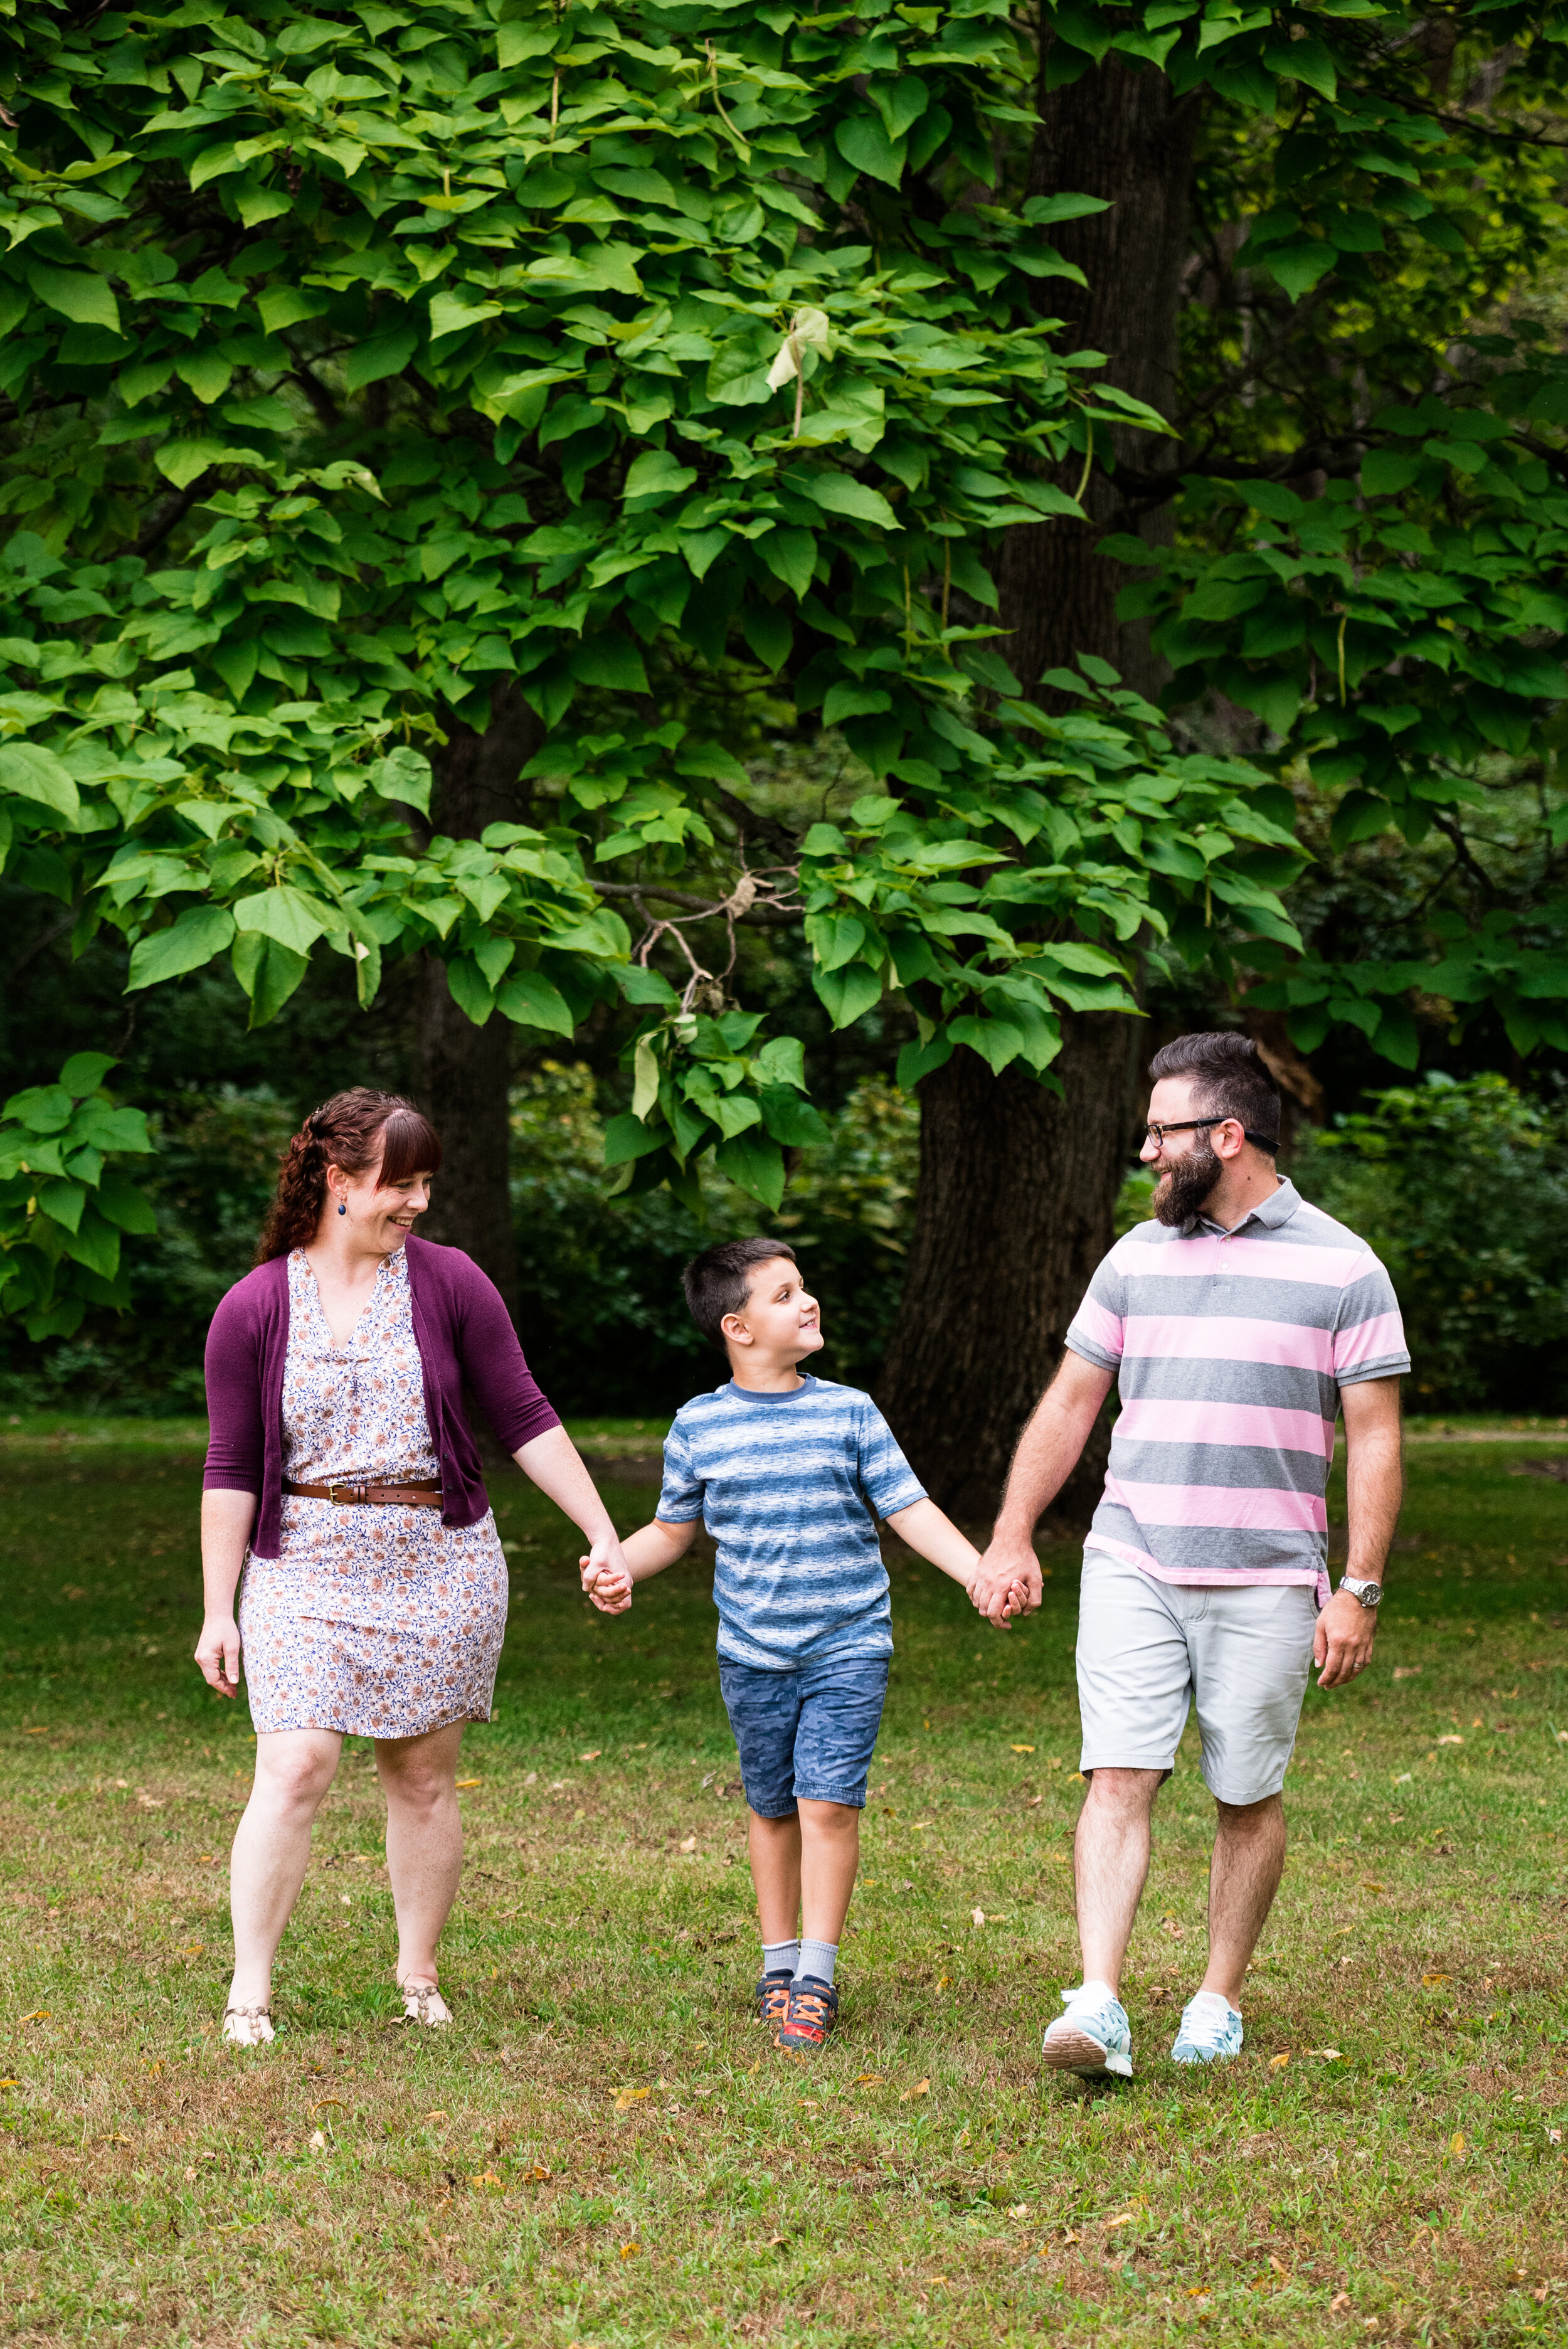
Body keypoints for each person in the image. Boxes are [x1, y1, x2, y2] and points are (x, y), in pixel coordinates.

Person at [971, 1032, 1407, 2077]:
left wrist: (1359, 1587)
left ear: (1227, 1134)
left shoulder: (1345, 1267)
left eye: (1164, 1132)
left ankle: (1216, 1999)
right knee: (1118, 1772)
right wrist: (1013, 1528)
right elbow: (1075, 1398)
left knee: (1246, 1792)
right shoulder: (1135, 1258)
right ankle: (1100, 1998)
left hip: (1267, 1571)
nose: (1147, 1152)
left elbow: (1378, 1435)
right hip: (1135, 1555)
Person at [195, 1088, 628, 2046]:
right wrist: (217, 1609)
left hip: (439, 1562)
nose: (419, 1201)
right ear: (339, 1181)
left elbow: (524, 1415)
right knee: (297, 1762)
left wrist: (603, 1532)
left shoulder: (452, 1282)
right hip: (304, 1562)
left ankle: (419, 1974)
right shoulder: (254, 1305)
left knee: (423, 1777)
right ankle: (250, 1987)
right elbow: (230, 1466)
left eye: (428, 1181)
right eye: (402, 1182)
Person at [582, 1237, 1022, 2055]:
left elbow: (910, 1508)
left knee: (828, 1800)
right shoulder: (700, 1425)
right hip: (751, 1652)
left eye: (802, 1286)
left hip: (847, 1642)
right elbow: (672, 1531)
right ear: (737, 1326)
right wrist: (618, 1566)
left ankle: (816, 1973)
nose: (806, 1300)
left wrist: (975, 1572)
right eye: (784, 1294)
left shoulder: (850, 1411)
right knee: (773, 1805)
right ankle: (776, 1962)